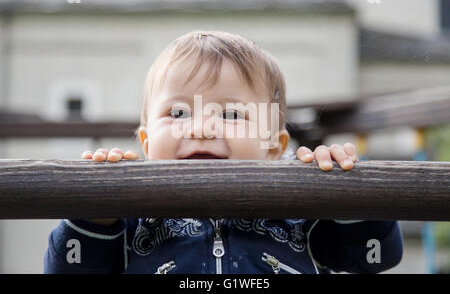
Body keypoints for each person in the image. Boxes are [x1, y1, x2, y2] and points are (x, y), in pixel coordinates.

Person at [44, 30, 403, 274]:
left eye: (231, 114)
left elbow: (376, 256)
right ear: (147, 142)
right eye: (178, 113)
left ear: (274, 148)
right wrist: (94, 212)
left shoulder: (302, 214)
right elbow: (67, 268)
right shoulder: (129, 220)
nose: (201, 128)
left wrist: (348, 191)